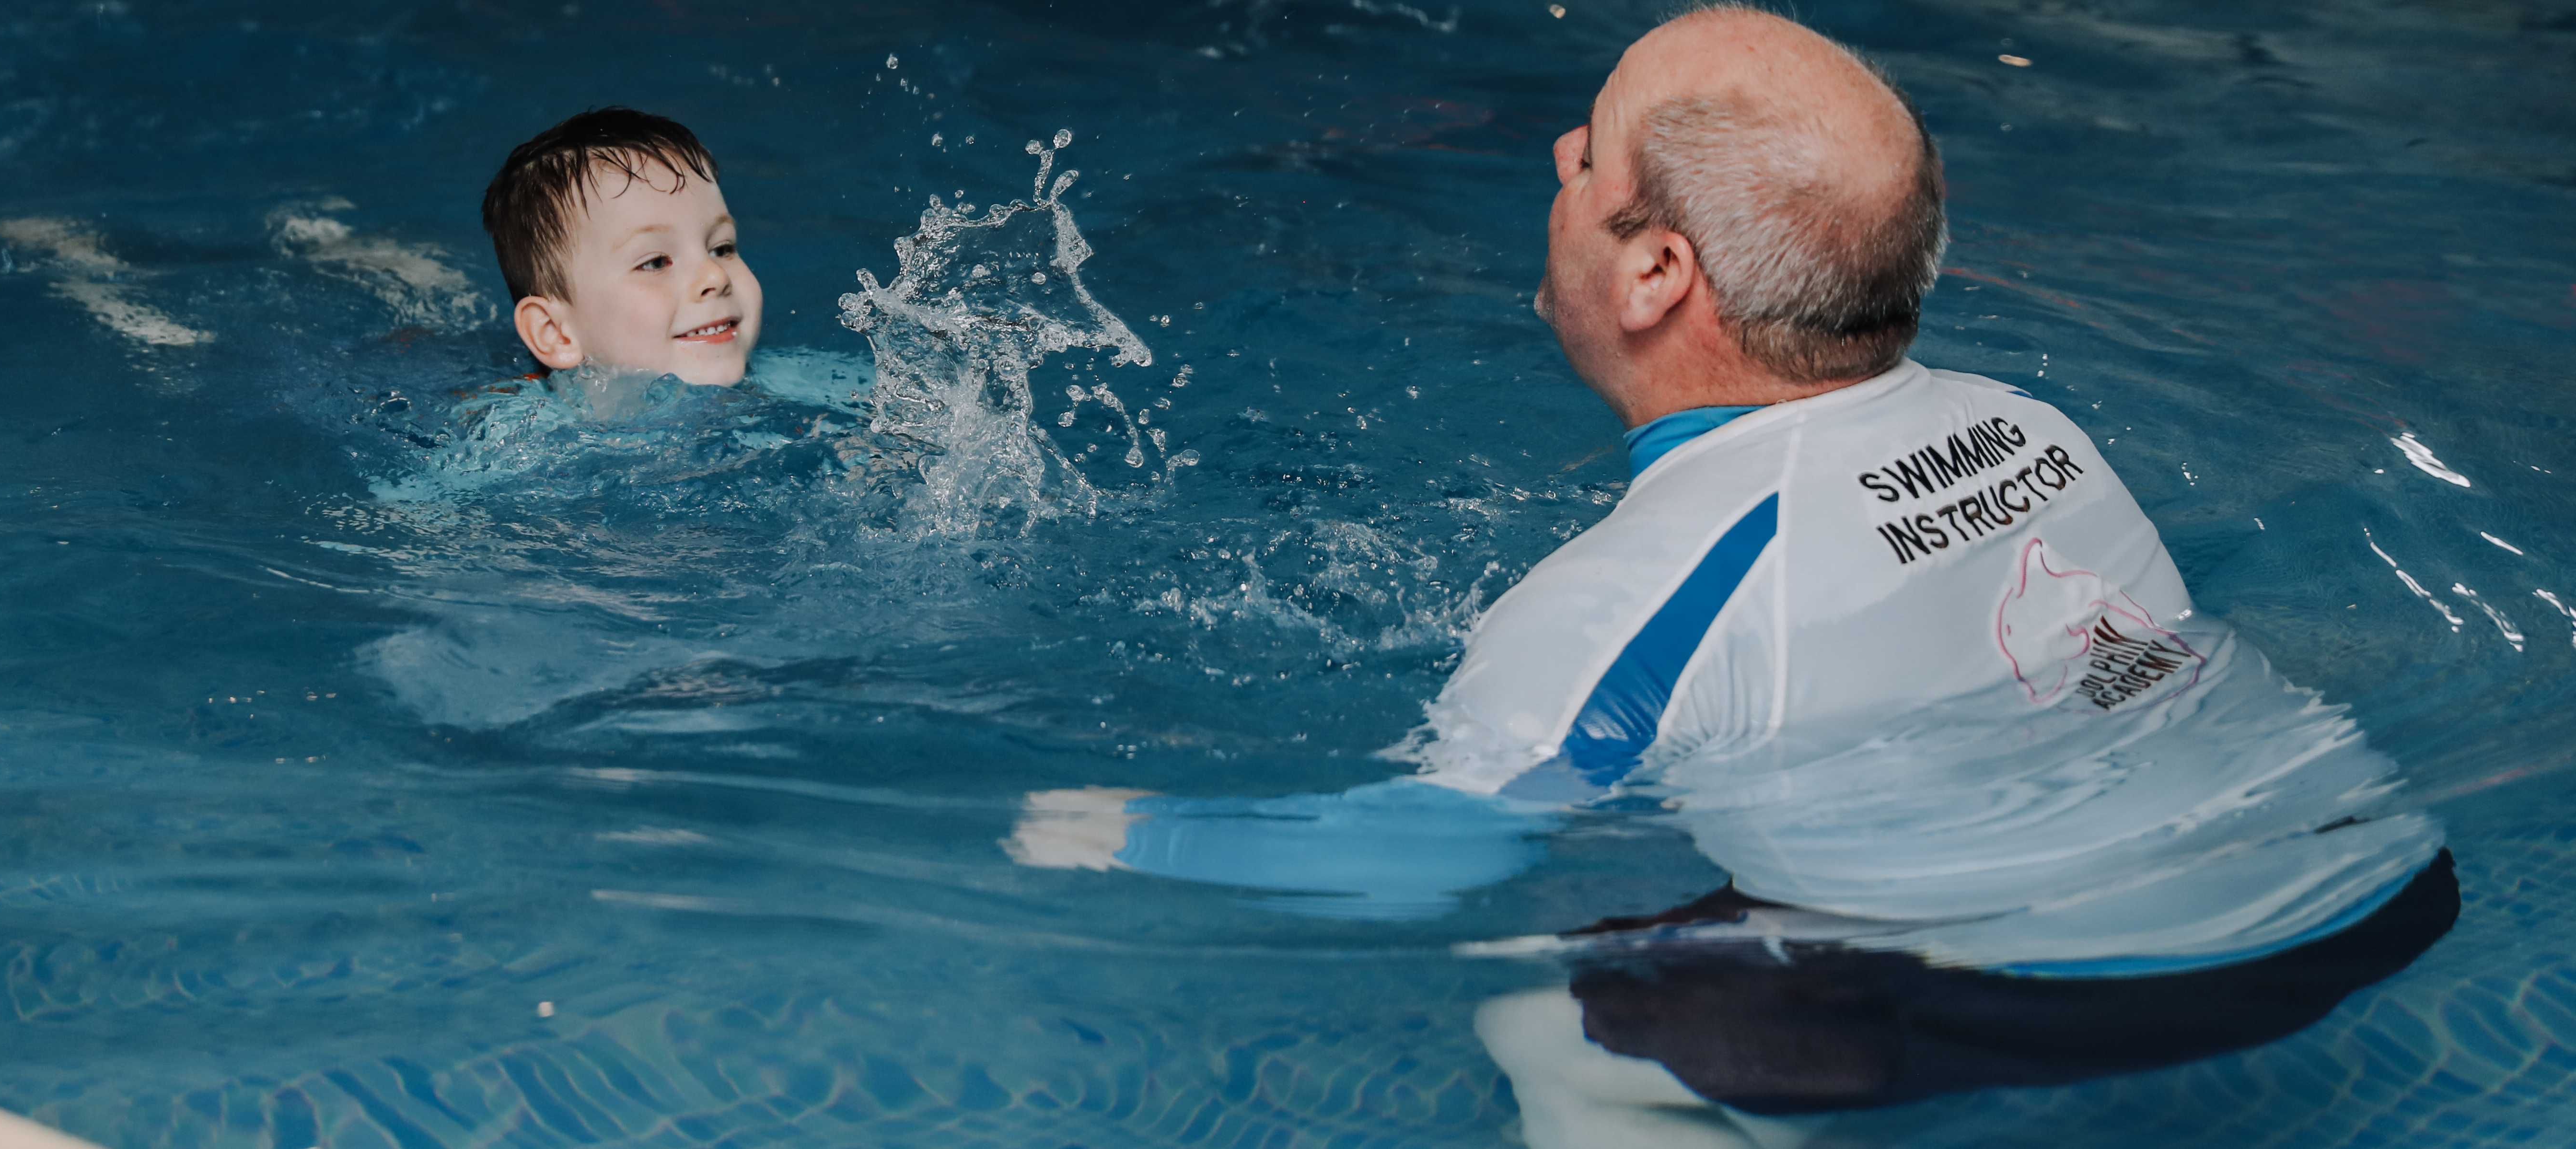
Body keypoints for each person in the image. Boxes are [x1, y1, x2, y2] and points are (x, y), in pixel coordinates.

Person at [1005, 6, 2456, 1146]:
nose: (1564, 154)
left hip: (2112, 994)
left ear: (1656, 275)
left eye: (1596, 153)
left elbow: (1423, 858)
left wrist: (1122, 830)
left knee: (1563, 1001)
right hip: (2377, 878)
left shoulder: (1624, 599)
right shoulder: (2033, 423)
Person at [480, 107, 765, 416]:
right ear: (556, 333)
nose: (716, 277)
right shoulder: (514, 439)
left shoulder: (803, 388)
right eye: (656, 262)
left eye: (722, 249)